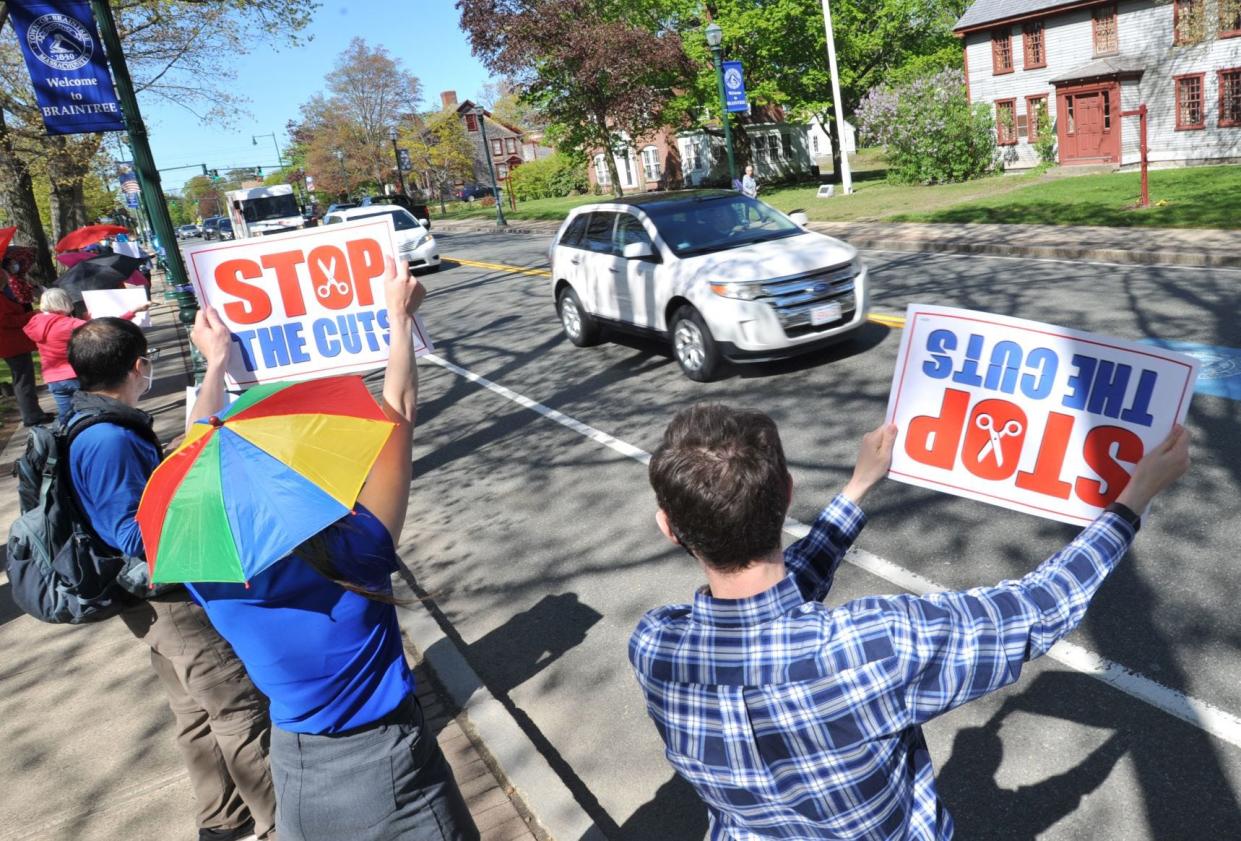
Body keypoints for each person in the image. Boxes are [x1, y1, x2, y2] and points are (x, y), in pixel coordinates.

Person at [629, 403, 1190, 840]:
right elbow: (1037, 608)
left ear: (669, 527)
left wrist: (856, 490)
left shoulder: (655, 646)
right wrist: (1133, 497)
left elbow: (766, 606)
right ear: (786, 494)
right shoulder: (875, 645)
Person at [185, 258, 479, 841]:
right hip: (390, 761)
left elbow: (199, 452)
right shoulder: (355, 549)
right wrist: (399, 319)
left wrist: (215, 366)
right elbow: (398, 414)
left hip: (295, 763)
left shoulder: (205, 567)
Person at [66, 317, 276, 841]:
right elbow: (134, 535)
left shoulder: (93, 422)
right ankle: (284, 822)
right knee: (238, 707)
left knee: (195, 711)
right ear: (139, 366)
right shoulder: (110, 440)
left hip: (151, 604)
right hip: (170, 599)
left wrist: (214, 371)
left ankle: (222, 819)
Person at [23, 287, 149, 424]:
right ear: (64, 302)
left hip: (53, 378)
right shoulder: (69, 324)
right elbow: (107, 329)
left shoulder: (35, 322)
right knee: (94, 411)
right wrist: (132, 312)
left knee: (65, 416)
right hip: (74, 375)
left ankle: (65, 439)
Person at [0, 265, 52, 426]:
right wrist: (29, 315)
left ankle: (33, 412)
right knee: (23, 380)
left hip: (13, 343)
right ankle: (32, 415)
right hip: (12, 344)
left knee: (23, 379)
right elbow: (6, 321)